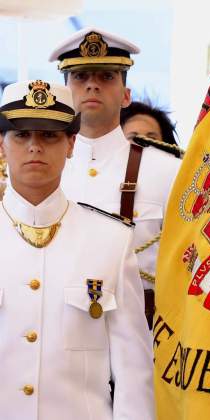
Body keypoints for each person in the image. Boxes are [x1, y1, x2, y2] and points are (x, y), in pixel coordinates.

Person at [0, 80, 154, 419]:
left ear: (71, 143)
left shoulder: (110, 239)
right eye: (22, 135)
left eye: (49, 135)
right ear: (2, 144)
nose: (35, 147)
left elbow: (133, 372)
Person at [49, 27, 181, 327]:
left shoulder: (167, 171)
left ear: (126, 95)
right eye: (81, 77)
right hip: (59, 334)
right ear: (65, 95)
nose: (92, 86)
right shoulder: (42, 171)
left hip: (144, 334)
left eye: (107, 76)